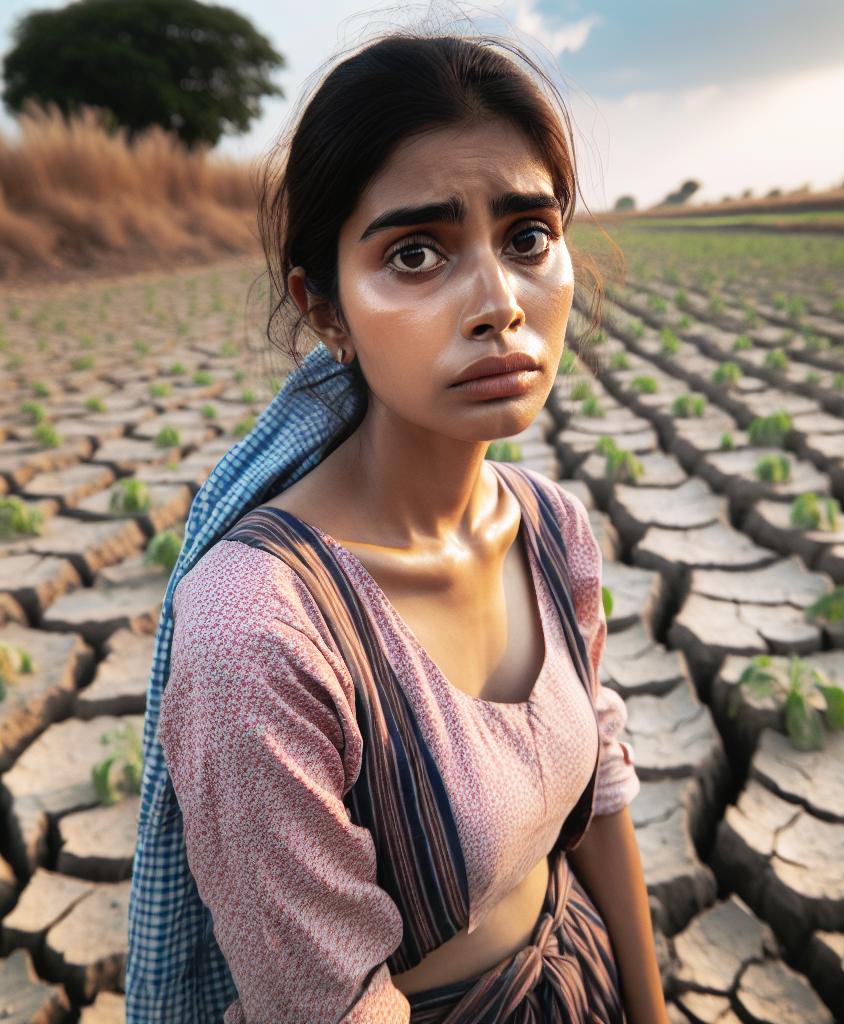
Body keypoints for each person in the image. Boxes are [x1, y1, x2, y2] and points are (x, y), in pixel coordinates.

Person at [126, 27, 669, 1024]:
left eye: (528, 237)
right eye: (416, 253)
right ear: (324, 308)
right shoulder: (259, 633)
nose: (498, 303)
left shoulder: (552, 527)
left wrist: (651, 1010)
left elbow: (597, 792)